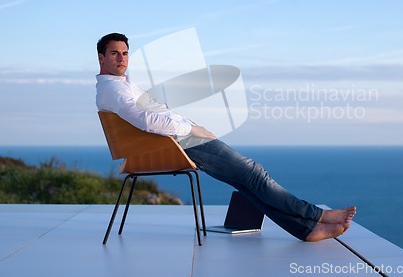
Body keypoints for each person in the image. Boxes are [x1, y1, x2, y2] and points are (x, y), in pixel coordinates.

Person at [95, 32, 356, 242]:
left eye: (125, 53)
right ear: (101, 58)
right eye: (115, 53)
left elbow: (152, 117)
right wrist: (194, 130)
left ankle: (306, 230)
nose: (121, 58)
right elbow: (148, 120)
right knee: (254, 173)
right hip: (177, 143)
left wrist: (191, 126)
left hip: (175, 140)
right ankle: (318, 215)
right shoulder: (115, 91)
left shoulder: (121, 86)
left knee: (245, 181)